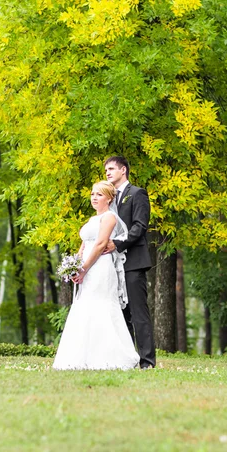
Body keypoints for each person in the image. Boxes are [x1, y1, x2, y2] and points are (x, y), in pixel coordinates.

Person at [53, 181, 140, 370]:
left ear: (109, 198)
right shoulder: (92, 220)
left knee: (100, 305)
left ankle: (113, 356)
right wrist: (74, 266)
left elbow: (100, 245)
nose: (94, 197)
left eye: (99, 194)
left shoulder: (109, 217)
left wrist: (84, 268)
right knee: (85, 306)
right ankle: (81, 356)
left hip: (100, 267)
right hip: (86, 266)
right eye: (92, 194)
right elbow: (84, 244)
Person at [104, 156, 156, 369]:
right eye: (105, 170)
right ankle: (127, 360)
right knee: (120, 314)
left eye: (111, 169)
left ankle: (147, 362)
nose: (107, 173)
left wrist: (116, 244)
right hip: (113, 265)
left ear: (123, 170)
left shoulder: (137, 194)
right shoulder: (109, 199)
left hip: (133, 262)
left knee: (138, 313)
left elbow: (139, 226)